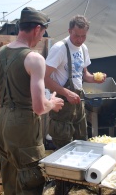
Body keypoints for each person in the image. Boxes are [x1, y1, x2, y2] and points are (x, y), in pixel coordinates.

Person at [0, 7, 64, 195]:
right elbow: (38, 107)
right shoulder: (34, 59)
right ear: (37, 29)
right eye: (43, 31)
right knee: (30, 178)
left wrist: (11, 101)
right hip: (22, 127)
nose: (42, 36)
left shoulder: (0, 53)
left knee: (10, 175)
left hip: (3, 121)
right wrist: (52, 103)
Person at [44, 14, 106, 194]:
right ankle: (61, 188)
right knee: (63, 147)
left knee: (81, 142)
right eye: (76, 35)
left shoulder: (83, 48)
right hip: (62, 102)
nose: (79, 40)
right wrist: (65, 92)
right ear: (69, 30)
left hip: (77, 100)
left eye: (83, 36)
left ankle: (79, 187)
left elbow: (83, 74)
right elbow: (45, 78)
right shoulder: (59, 49)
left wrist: (94, 79)